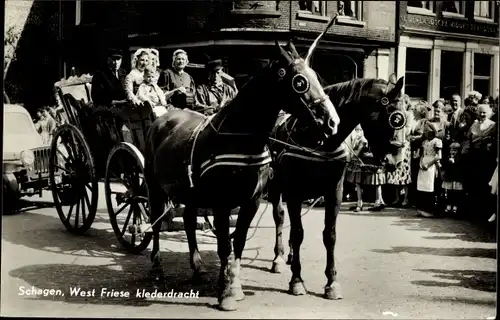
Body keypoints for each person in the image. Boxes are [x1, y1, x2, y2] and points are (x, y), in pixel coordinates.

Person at [387, 94, 413, 207]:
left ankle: (406, 198)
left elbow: (408, 130)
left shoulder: (408, 115)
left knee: (405, 173)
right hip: (395, 145)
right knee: (396, 173)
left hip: (404, 146)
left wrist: (398, 130)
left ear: (407, 104)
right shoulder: (395, 115)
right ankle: (397, 198)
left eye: (403, 103)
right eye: (399, 103)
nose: (400, 105)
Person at [416, 121, 442, 218]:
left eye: (427, 130)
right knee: (422, 186)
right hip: (423, 164)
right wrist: (421, 163)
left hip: (432, 165)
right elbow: (422, 154)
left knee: (430, 186)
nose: (425, 132)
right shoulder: (424, 142)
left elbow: (438, 156)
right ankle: (422, 208)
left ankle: (430, 209)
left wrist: (429, 164)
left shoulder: (437, 141)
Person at [344, 124, 368, 212]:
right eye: (356, 130)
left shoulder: (363, 140)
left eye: (360, 130)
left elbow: (357, 152)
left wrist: (351, 155)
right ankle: (359, 202)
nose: (358, 132)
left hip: (360, 165)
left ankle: (360, 203)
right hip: (355, 164)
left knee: (359, 184)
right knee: (356, 185)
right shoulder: (355, 139)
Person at [440, 142, 463, 215]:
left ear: (458, 151)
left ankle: (455, 207)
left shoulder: (460, 158)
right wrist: (449, 162)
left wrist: (454, 162)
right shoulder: (447, 157)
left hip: (456, 177)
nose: (453, 152)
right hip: (449, 177)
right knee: (448, 192)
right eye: (451, 150)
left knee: (456, 193)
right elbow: (444, 165)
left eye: (455, 150)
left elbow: (460, 167)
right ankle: (448, 206)